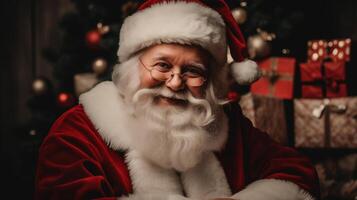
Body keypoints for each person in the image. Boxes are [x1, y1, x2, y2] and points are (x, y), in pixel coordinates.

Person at [35, 0, 320, 199]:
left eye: (193, 71)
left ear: (211, 80)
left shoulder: (225, 125)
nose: (174, 82)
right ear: (134, 65)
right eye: (162, 65)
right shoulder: (77, 132)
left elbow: (296, 171)